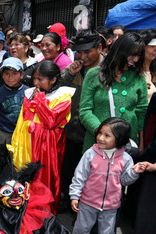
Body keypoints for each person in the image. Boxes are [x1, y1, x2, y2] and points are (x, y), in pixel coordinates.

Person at [70, 117, 145, 234]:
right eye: (100, 133)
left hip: (111, 206)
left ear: (120, 139)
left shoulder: (125, 158)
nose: (101, 138)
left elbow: (125, 180)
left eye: (107, 135)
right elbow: (79, 176)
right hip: (88, 202)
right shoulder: (91, 153)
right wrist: (75, 195)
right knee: (81, 229)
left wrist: (133, 173)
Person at [11, 60, 75, 215]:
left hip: (47, 145)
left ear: (53, 80)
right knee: (26, 178)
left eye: (40, 79)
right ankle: (25, 213)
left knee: (43, 179)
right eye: (35, 79)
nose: (36, 82)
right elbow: (23, 120)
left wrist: (38, 100)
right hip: (28, 141)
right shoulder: (30, 94)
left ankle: (43, 215)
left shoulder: (63, 97)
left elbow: (51, 121)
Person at [118, 58, 156, 234]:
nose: (152, 81)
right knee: (141, 208)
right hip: (147, 156)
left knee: (149, 212)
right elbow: (145, 120)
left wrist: (148, 154)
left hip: (152, 161)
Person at [79, 32, 148, 154]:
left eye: (139, 56)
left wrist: (141, 144)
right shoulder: (94, 74)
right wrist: (102, 133)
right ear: (120, 51)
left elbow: (141, 113)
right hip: (97, 143)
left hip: (126, 145)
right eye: (132, 55)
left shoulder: (139, 78)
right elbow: (85, 111)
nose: (135, 60)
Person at [60, 30, 105, 212]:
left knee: (91, 176)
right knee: (70, 171)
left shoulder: (108, 70)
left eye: (88, 52)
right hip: (71, 131)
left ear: (100, 48)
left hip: (95, 134)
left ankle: (87, 211)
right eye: (79, 52)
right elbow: (56, 86)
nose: (83, 56)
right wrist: (70, 74)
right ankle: (69, 201)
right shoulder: (74, 67)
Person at [0, 57, 28, 169]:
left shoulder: (28, 92)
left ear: (22, 74)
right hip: (4, 134)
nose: (10, 78)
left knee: (21, 164)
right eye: (6, 74)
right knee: (1, 164)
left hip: (23, 136)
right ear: (2, 75)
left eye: (14, 73)